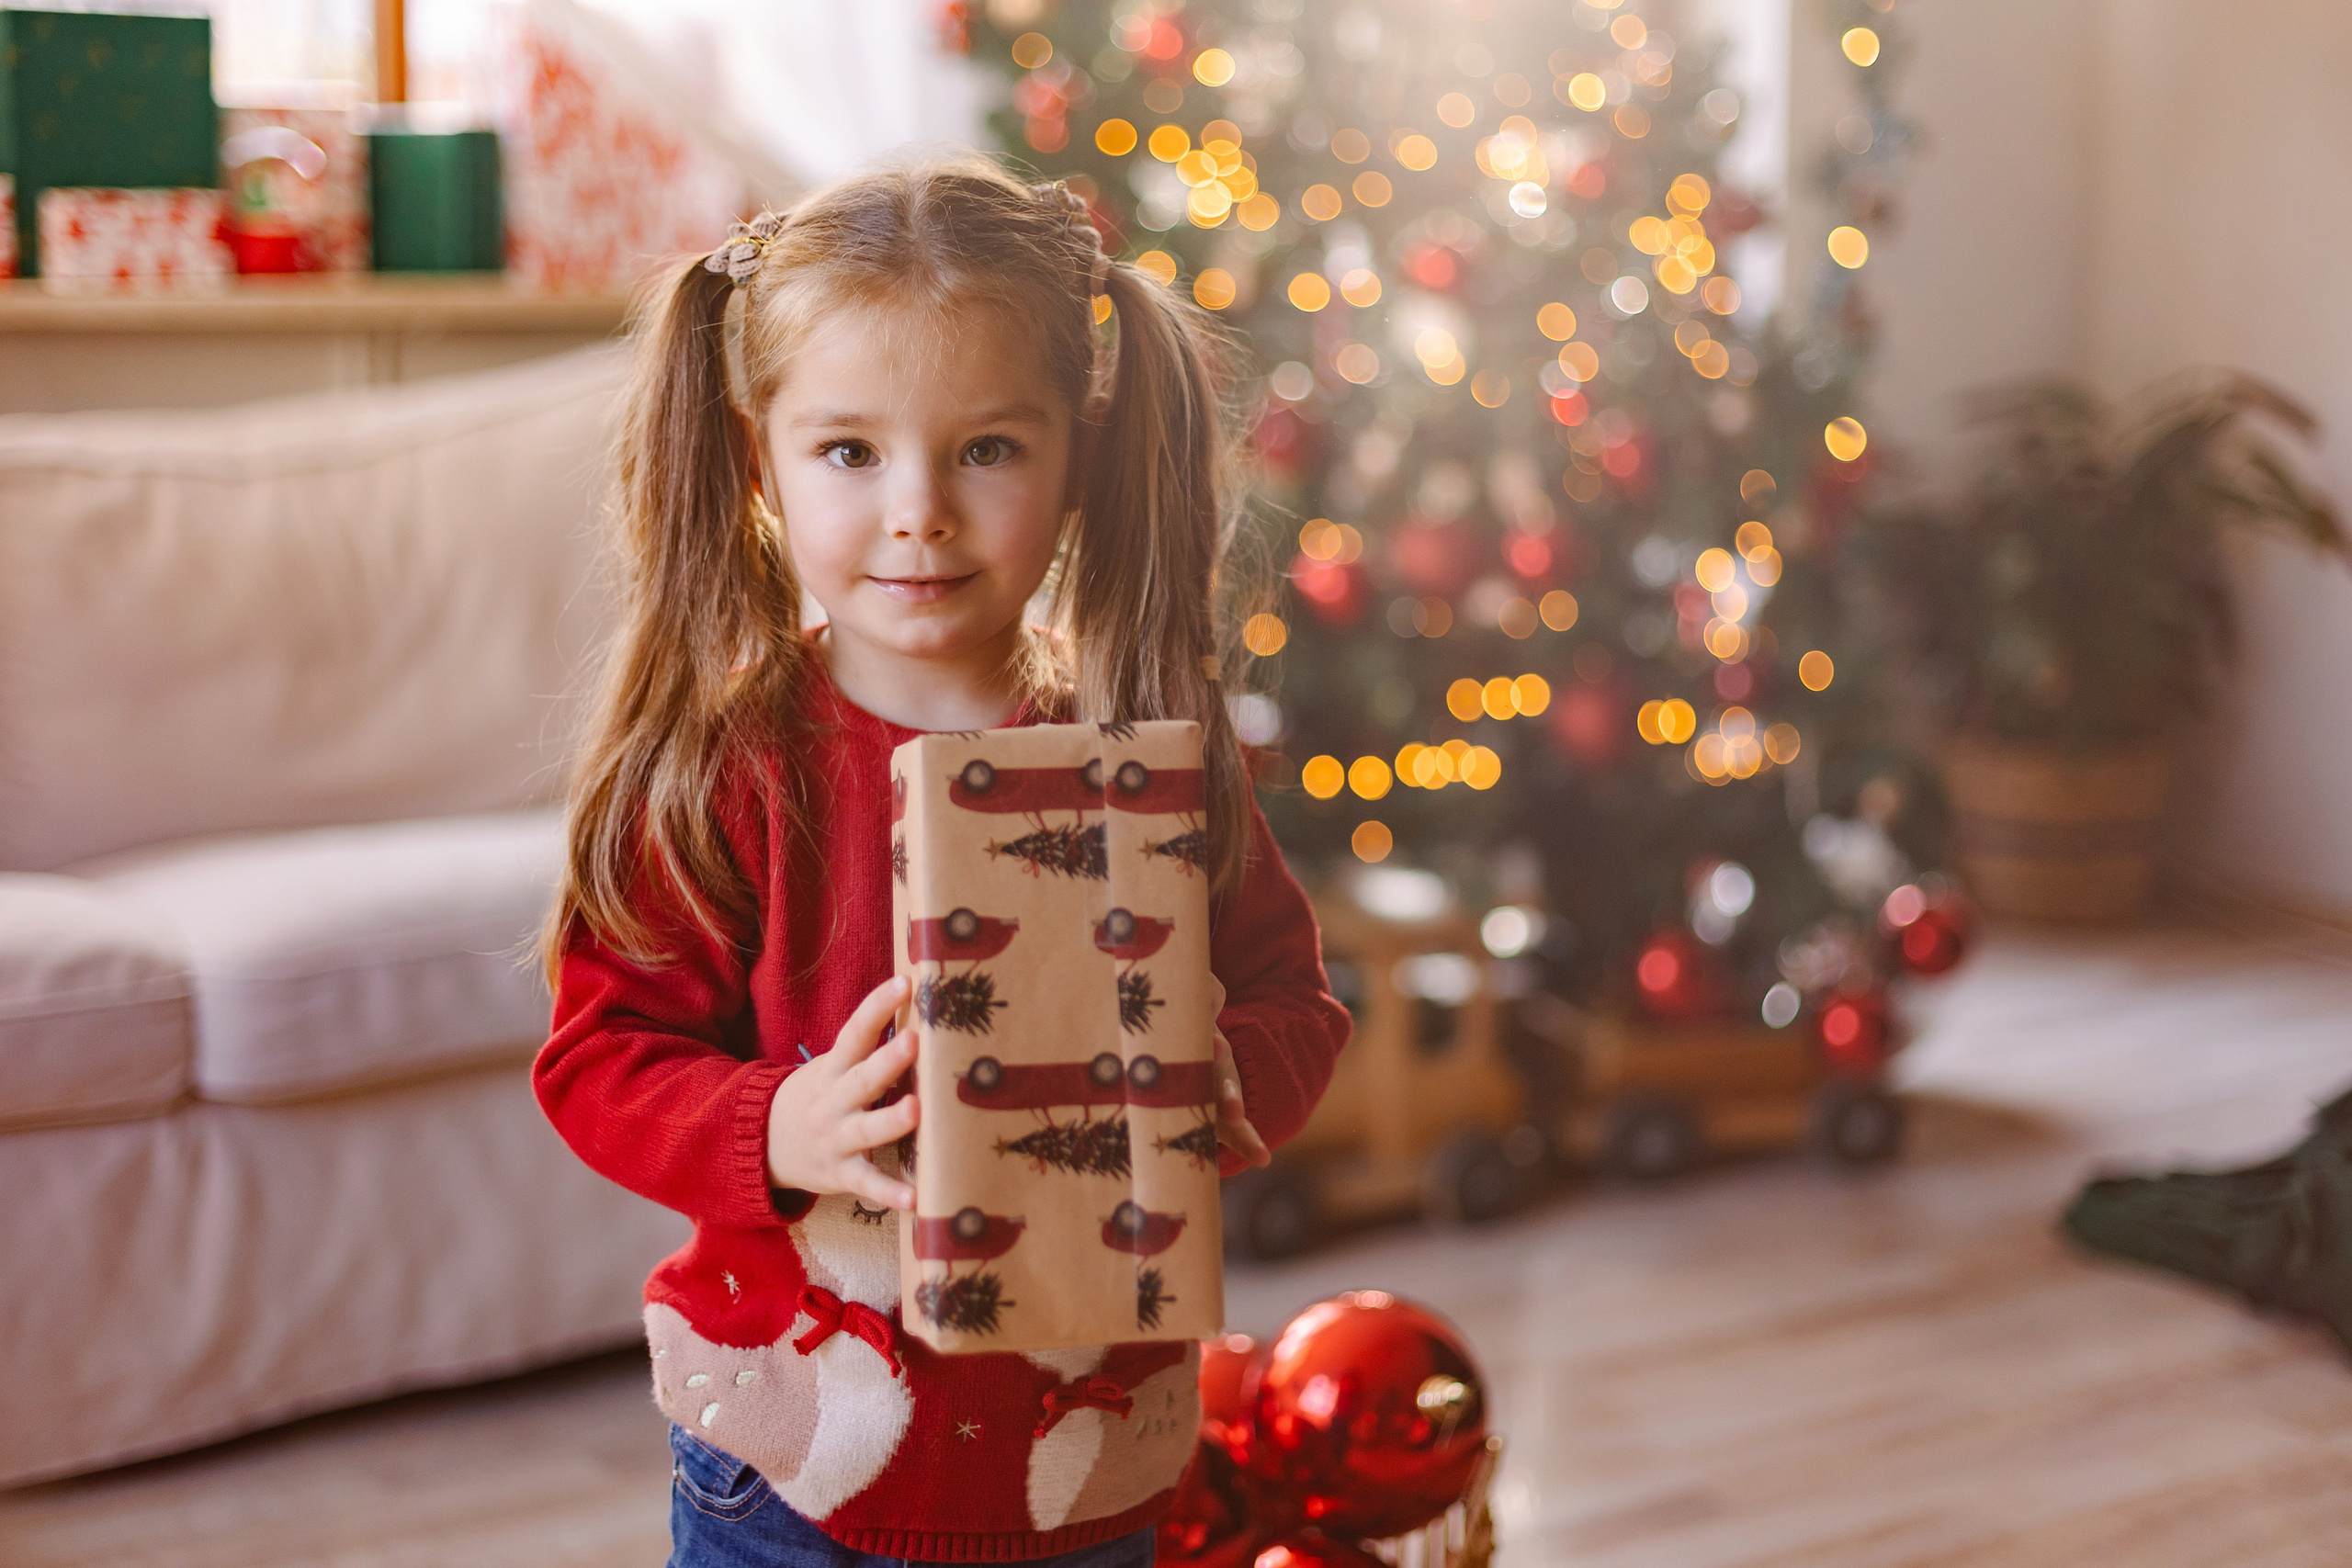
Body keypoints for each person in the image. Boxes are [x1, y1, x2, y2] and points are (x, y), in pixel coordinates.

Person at [533, 157, 1351, 1568]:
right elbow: (599, 1056)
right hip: (789, 1478)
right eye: (850, 451)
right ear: (761, 463)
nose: (918, 510)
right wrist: (774, 1130)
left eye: (987, 449)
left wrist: (1231, 1071)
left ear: (1076, 454)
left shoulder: (1149, 764)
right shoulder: (728, 768)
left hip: (1086, 1481)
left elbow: (1295, 1001)